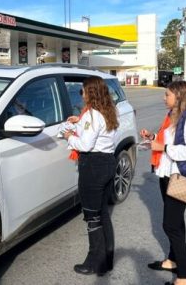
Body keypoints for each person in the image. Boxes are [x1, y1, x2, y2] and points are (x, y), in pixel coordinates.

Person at [140, 80, 186, 285]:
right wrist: (153, 138)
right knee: (176, 222)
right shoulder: (172, 115)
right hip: (167, 174)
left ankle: (184, 277)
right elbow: (169, 140)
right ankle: (172, 260)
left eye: (167, 94)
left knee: (170, 225)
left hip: (180, 177)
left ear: (178, 97)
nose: (164, 98)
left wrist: (164, 149)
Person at [62, 76, 119, 277]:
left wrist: (69, 136)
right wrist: (79, 124)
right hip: (107, 163)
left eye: (83, 90)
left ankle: (94, 263)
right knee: (103, 213)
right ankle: (106, 261)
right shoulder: (108, 111)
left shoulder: (92, 115)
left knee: (92, 217)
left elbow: (85, 144)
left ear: (91, 93)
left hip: (93, 166)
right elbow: (95, 134)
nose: (82, 94)